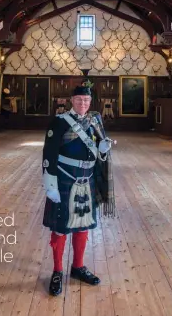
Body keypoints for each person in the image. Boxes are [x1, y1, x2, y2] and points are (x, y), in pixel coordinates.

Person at [41, 84, 116, 296]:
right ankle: (57, 271)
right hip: (65, 179)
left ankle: (78, 267)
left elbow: (100, 148)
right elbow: (49, 154)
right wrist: (50, 185)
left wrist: (102, 150)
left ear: (90, 102)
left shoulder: (95, 122)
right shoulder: (59, 122)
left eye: (86, 100)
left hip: (88, 178)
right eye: (79, 99)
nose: (83, 103)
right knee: (61, 227)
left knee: (83, 226)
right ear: (71, 100)